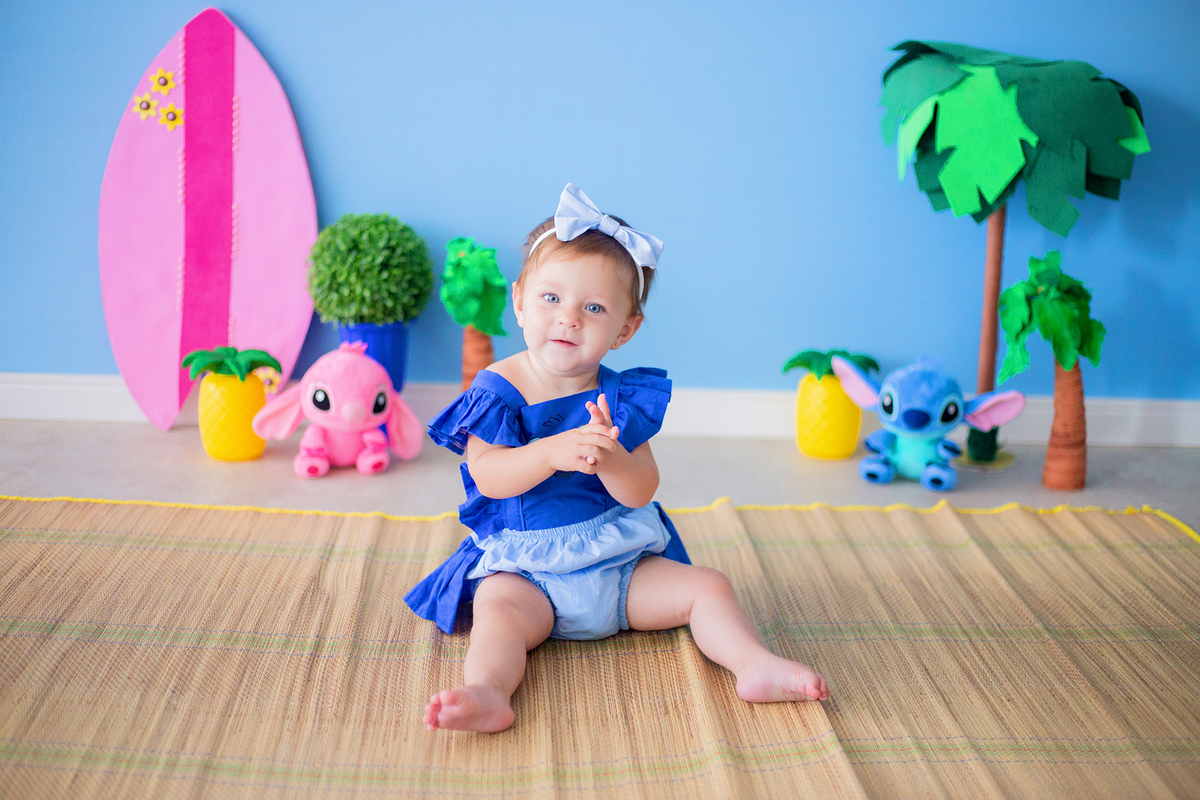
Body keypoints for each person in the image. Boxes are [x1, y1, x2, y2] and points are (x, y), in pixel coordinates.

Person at [405, 184, 828, 733]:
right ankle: (488, 690)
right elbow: (488, 478)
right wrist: (549, 452)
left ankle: (753, 664)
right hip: (530, 574)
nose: (568, 319)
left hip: (620, 566)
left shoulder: (619, 395)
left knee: (709, 587)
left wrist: (610, 460)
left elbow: (641, 488)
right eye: (551, 298)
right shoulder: (498, 390)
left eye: (595, 308)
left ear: (625, 329)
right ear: (519, 300)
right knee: (495, 612)